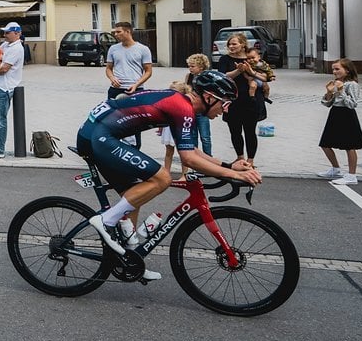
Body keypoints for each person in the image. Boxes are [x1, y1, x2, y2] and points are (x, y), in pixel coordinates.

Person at [78, 70, 261, 280]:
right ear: (209, 97)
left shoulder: (184, 107)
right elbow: (189, 160)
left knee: (136, 192)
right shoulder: (182, 107)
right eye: (225, 103)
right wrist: (234, 175)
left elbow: (191, 150)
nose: (225, 110)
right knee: (162, 178)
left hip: (100, 134)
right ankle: (106, 220)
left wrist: (230, 165)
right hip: (99, 136)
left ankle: (129, 256)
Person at [105, 22, 154, 149]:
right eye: (114, 32)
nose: (116, 34)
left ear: (128, 32)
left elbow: (148, 71)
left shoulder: (143, 49)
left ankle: (134, 147)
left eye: (118, 32)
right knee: (113, 118)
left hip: (135, 89)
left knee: (134, 119)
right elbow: (108, 68)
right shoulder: (113, 49)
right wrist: (112, 78)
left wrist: (136, 84)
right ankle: (114, 145)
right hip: (116, 89)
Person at [317, 58, 362, 185]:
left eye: (337, 69)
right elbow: (327, 103)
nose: (334, 71)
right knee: (325, 143)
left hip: (347, 114)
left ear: (347, 71)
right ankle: (336, 168)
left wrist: (341, 90)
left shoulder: (352, 85)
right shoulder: (336, 82)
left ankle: (352, 175)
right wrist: (328, 92)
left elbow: (352, 104)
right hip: (335, 113)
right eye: (333, 69)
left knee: (349, 146)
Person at [216, 32, 261, 167]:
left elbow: (263, 72)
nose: (231, 46)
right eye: (229, 44)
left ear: (242, 45)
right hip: (232, 99)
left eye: (234, 43)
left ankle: (251, 160)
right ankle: (240, 157)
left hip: (250, 98)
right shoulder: (225, 59)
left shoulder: (250, 58)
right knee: (234, 130)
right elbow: (222, 76)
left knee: (250, 130)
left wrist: (263, 83)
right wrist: (239, 71)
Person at [0, 22, 26, 160]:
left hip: (5, 87)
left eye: (8, 32)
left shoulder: (17, 48)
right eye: (5, 32)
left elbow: (4, 69)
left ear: (17, 33)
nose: (5, 35)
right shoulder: (6, 45)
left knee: (0, 119)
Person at [184, 53, 213, 155]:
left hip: (202, 110)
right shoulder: (189, 77)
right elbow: (186, 89)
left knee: (205, 137)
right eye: (189, 66)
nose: (190, 69)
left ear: (201, 67)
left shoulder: (207, 77)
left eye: (192, 66)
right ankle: (195, 159)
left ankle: (208, 157)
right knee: (193, 135)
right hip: (191, 109)